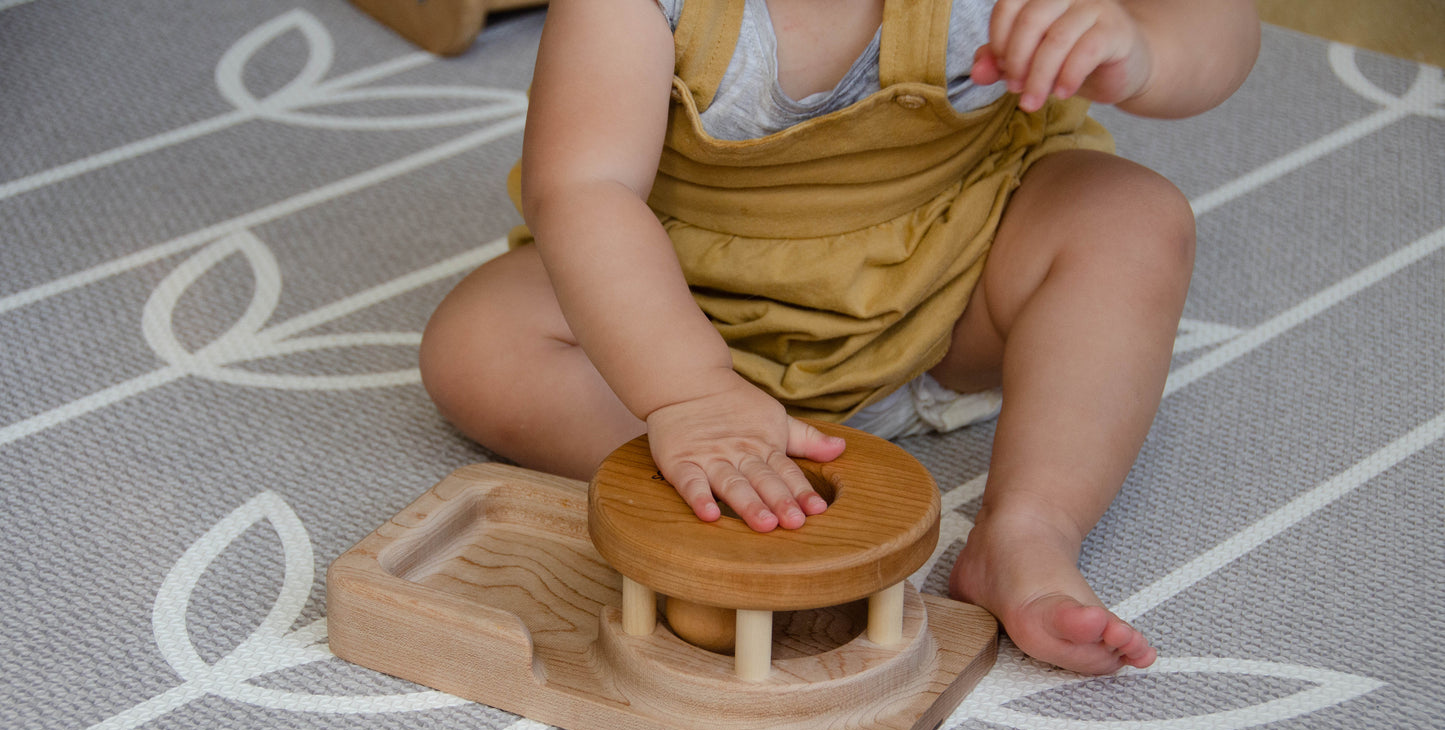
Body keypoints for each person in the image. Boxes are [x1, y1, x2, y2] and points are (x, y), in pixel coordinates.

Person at [419, 0, 1261, 674]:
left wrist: (1143, 48)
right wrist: (690, 390)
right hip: (675, 312)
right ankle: (736, 491)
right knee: (480, 344)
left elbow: (1218, 23)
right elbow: (584, 188)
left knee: (1132, 220)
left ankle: (1028, 530)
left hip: (946, 295)